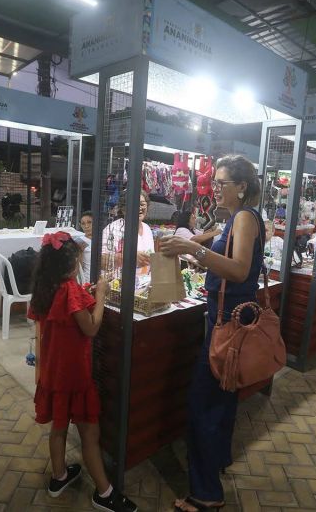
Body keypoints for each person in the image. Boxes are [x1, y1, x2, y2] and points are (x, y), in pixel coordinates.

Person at [160, 155, 265, 511]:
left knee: (203, 403)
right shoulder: (235, 219)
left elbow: (238, 270)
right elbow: (222, 255)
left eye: (222, 183)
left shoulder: (246, 218)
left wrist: (195, 249)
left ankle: (205, 493)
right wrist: (197, 250)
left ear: (242, 187)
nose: (215, 189)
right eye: (215, 182)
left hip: (227, 322)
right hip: (231, 317)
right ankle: (217, 463)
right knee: (222, 399)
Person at [27, 231, 137, 512]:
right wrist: (100, 296)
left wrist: (85, 295)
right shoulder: (70, 290)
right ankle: (104, 492)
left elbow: (64, 316)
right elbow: (91, 327)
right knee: (90, 433)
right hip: (74, 375)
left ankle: (59, 476)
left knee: (58, 428)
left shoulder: (45, 289)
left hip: (53, 373)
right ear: (71, 265)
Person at [101, 191, 154, 277]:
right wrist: (129, 257)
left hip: (143, 285)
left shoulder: (147, 228)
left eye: (142, 204)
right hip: (120, 286)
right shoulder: (113, 229)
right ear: (123, 209)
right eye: (134, 204)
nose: (139, 208)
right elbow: (102, 261)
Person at [78, 211, 93, 284]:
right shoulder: (80, 240)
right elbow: (78, 267)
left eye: (89, 222)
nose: (86, 226)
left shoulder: (104, 238)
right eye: (83, 224)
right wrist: (80, 252)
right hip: (87, 281)